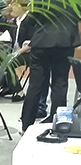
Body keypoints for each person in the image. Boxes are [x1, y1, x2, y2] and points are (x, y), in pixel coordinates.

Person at [20, 0, 80, 130]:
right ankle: (58, 124)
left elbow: (31, 19)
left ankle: (26, 124)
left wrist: (23, 40)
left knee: (35, 85)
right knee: (60, 84)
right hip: (65, 43)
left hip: (41, 41)